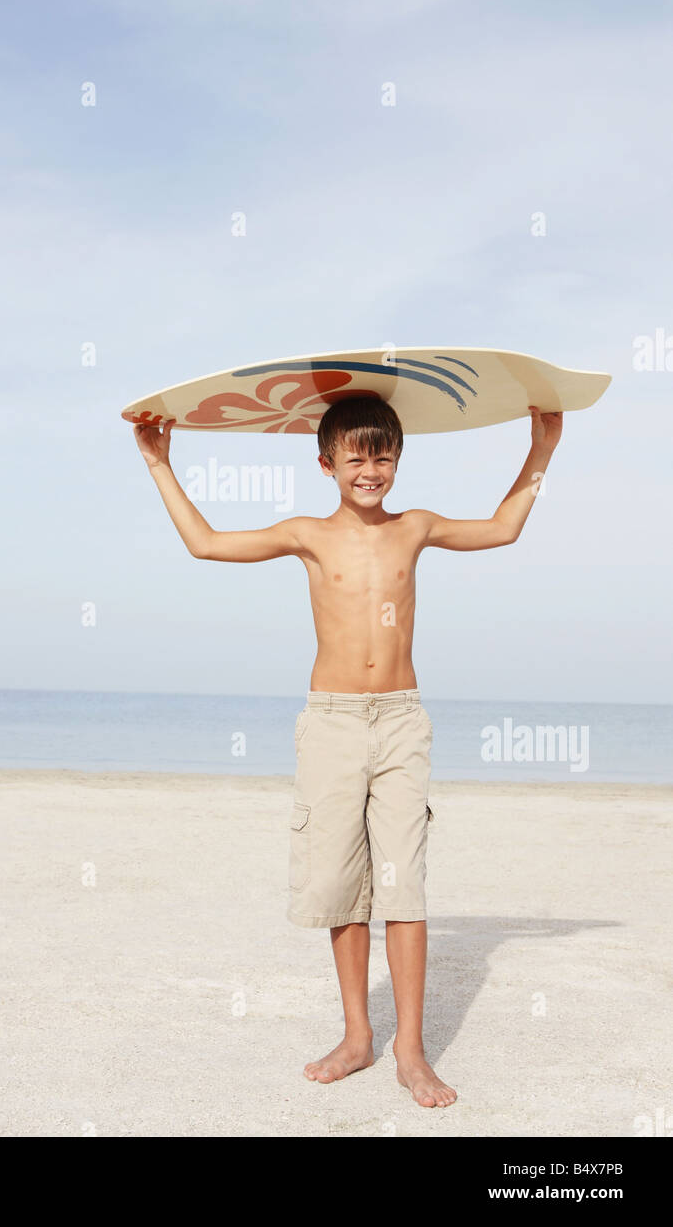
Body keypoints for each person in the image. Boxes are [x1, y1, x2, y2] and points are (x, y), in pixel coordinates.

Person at [134, 394, 562, 1106]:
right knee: (340, 885)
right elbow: (205, 544)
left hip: (398, 720)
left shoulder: (415, 527)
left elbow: (504, 527)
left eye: (384, 455)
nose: (371, 469)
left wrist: (541, 447)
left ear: (398, 461)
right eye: (356, 456)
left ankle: (411, 1050)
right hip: (332, 722)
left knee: (405, 886)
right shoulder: (306, 534)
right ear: (327, 462)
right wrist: (159, 463)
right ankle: (358, 1035)